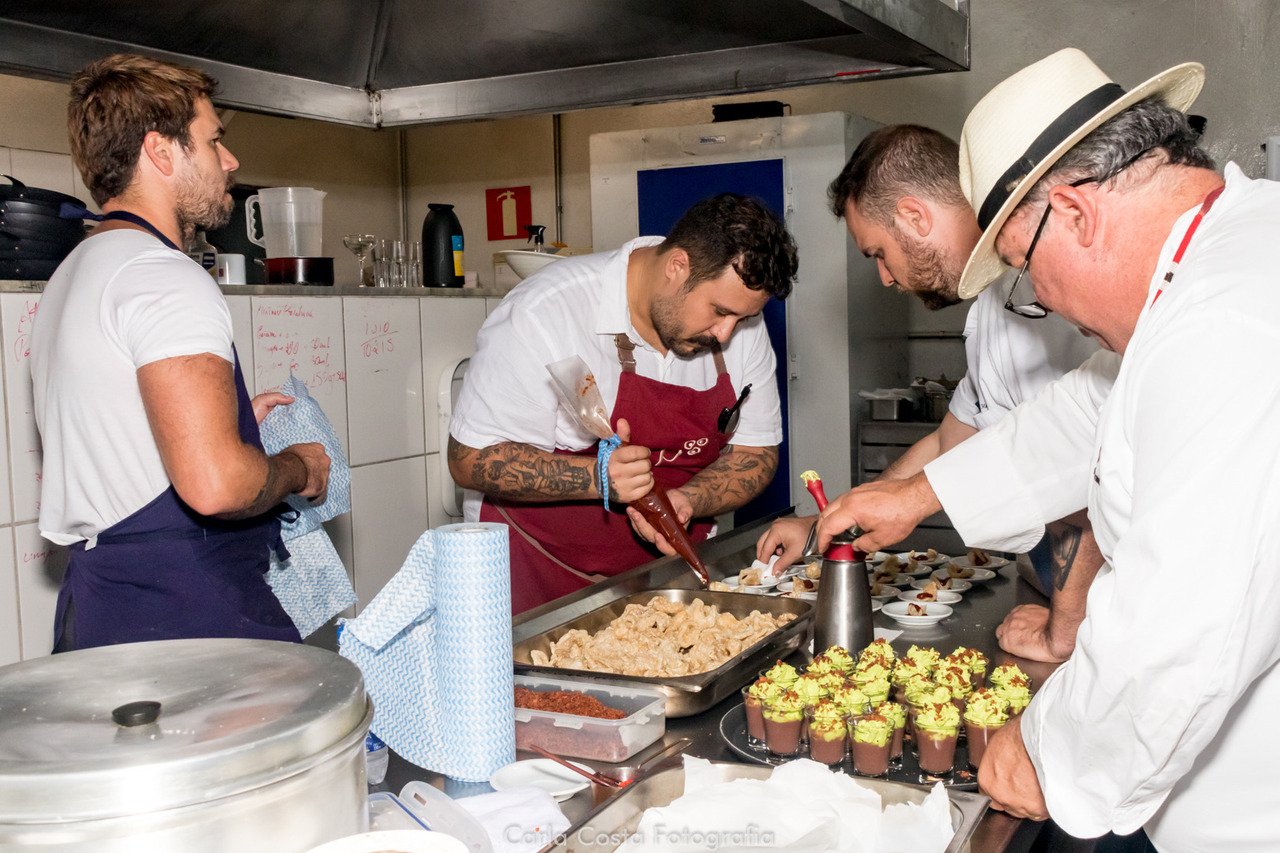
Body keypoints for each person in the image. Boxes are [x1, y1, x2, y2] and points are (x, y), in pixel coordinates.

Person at [820, 47, 1280, 851]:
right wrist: (916, 496)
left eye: (1027, 270)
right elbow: (1087, 414)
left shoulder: (1231, 317)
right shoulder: (1215, 268)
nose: (1044, 303)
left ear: (1075, 214)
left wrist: (1049, 754)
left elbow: (1186, 624)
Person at [755, 124, 1107, 662]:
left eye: (879, 251)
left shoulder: (1053, 293)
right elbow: (951, 442)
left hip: (1100, 608)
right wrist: (833, 517)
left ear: (916, 217)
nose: (886, 278)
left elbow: (1085, 469)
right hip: (1052, 592)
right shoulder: (992, 303)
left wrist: (1066, 626)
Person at [31, 54, 331, 651]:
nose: (230, 161)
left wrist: (226, 417)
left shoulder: (74, 273)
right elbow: (215, 486)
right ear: (161, 152)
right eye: (213, 140)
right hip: (186, 616)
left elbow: (118, 437)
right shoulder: (164, 276)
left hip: (102, 611)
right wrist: (299, 468)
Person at [448, 193, 797, 613]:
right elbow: (469, 459)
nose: (726, 333)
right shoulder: (544, 312)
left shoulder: (739, 324)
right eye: (719, 312)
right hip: (537, 581)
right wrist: (596, 477)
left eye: (740, 319)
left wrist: (689, 500)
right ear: (677, 267)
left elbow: (756, 453)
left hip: (662, 588)